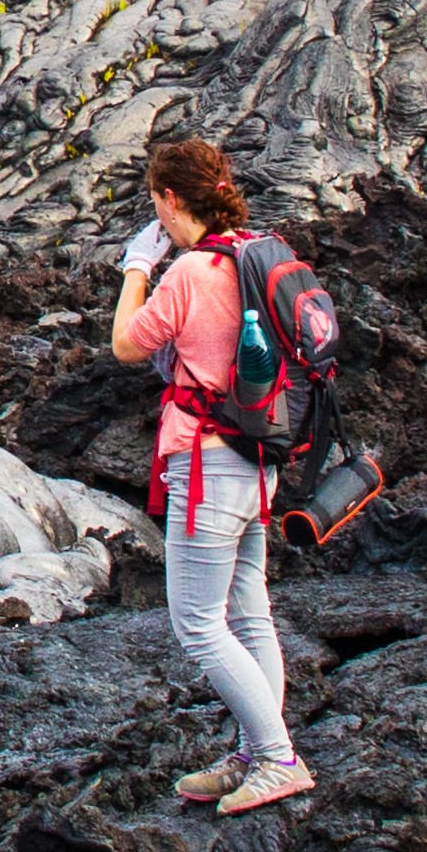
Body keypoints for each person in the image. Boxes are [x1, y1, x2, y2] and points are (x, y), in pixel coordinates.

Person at [111, 134, 313, 814]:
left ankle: (278, 756)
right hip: (257, 460)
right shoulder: (254, 252)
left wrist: (138, 267)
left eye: (155, 204)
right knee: (249, 610)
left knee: (197, 621)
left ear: (170, 200)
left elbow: (126, 342)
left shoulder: (190, 273)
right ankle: (255, 751)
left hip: (207, 465)